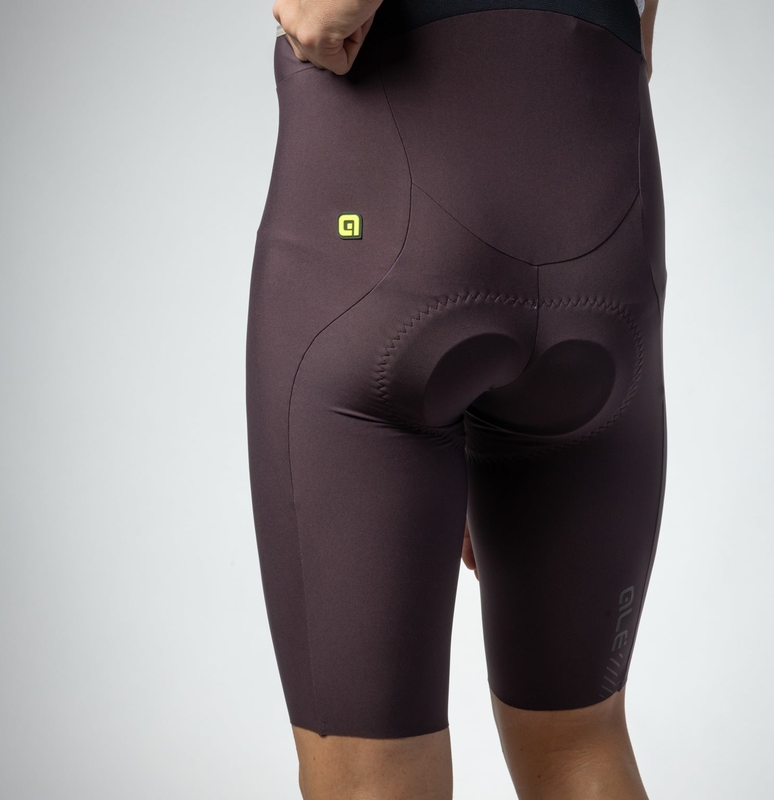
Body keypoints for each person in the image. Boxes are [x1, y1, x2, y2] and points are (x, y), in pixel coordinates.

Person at [246, 0, 665, 797]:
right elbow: (640, 41)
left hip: (386, 242)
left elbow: (323, 15)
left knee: (369, 773)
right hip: (605, 225)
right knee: (581, 743)